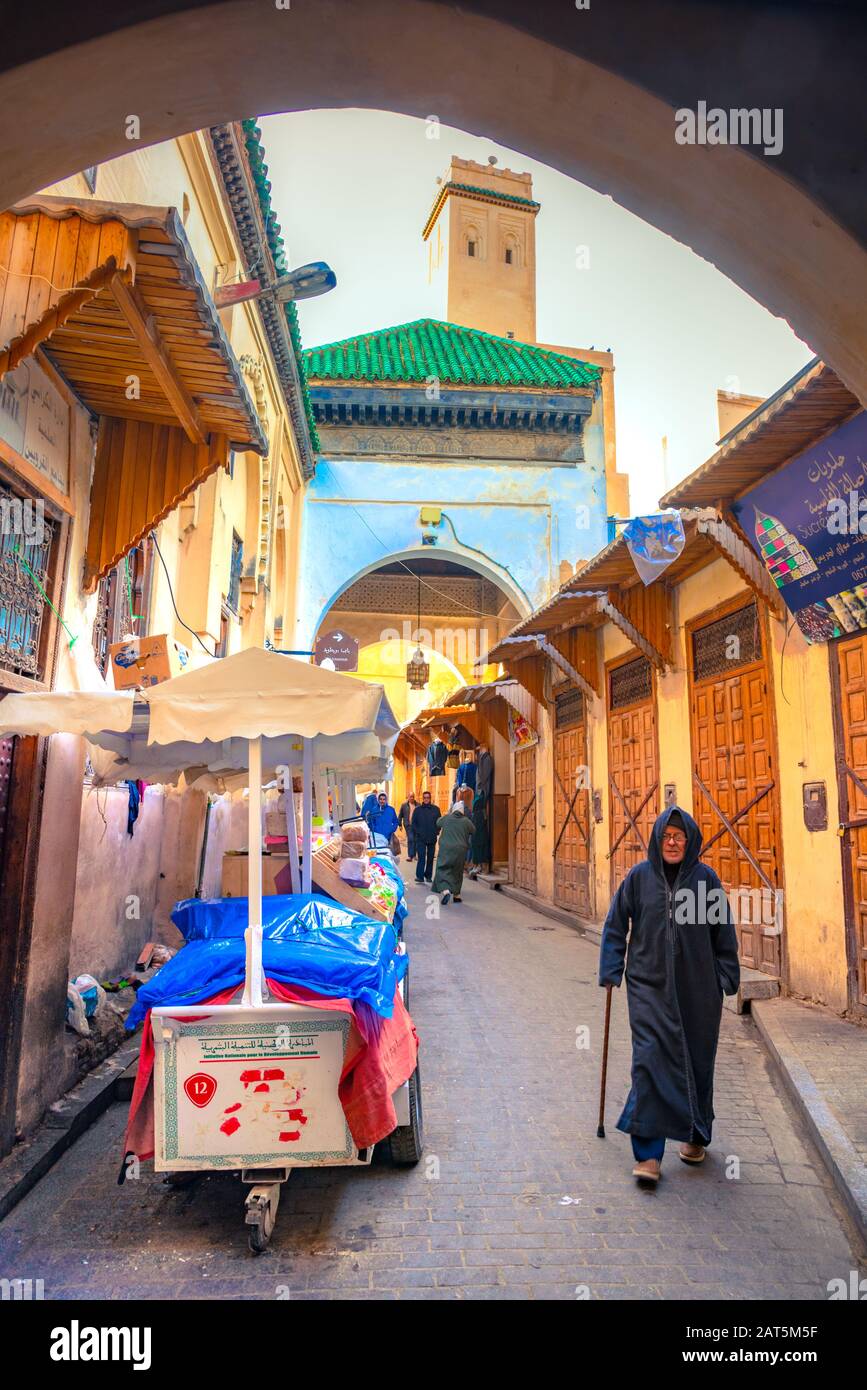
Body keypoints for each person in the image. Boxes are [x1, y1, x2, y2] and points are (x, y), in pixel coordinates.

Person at [599, 806, 740, 1185]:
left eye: (679, 836)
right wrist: (611, 968)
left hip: (698, 992)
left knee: (697, 1062)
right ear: (656, 839)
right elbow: (616, 924)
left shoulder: (706, 880)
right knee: (649, 1063)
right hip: (648, 987)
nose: (673, 842)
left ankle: (695, 1134)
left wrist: (725, 975)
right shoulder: (639, 877)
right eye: (666, 836)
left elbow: (723, 931)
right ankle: (648, 1154)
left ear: (690, 841)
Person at [432, 799, 474, 905]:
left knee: (442, 869)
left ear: (453, 810)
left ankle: (446, 891)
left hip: (446, 849)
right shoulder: (466, 821)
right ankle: (457, 895)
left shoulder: (447, 818)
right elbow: (473, 830)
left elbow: (438, 822)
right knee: (457, 871)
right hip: (461, 850)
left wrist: (448, 813)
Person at [411, 791, 441, 883]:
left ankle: (428, 876)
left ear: (430, 798)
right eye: (425, 797)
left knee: (430, 858)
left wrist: (436, 831)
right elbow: (413, 823)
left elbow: (439, 822)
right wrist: (418, 832)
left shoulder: (436, 809)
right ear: (423, 798)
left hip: (432, 837)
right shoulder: (417, 810)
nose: (426, 799)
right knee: (421, 857)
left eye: (428, 797)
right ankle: (420, 876)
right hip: (421, 838)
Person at [467, 785, 490, 878]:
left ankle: (480, 866)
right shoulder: (476, 796)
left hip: (479, 822)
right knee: (475, 844)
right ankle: (477, 865)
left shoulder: (481, 798)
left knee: (480, 844)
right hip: (476, 820)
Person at [398, 792, 418, 861]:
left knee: (415, 840)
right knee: (410, 839)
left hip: (416, 825)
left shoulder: (418, 805)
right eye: (410, 796)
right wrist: (400, 824)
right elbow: (400, 815)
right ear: (408, 797)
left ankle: (414, 855)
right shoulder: (404, 805)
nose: (412, 798)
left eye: (413, 796)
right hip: (408, 825)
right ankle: (410, 856)